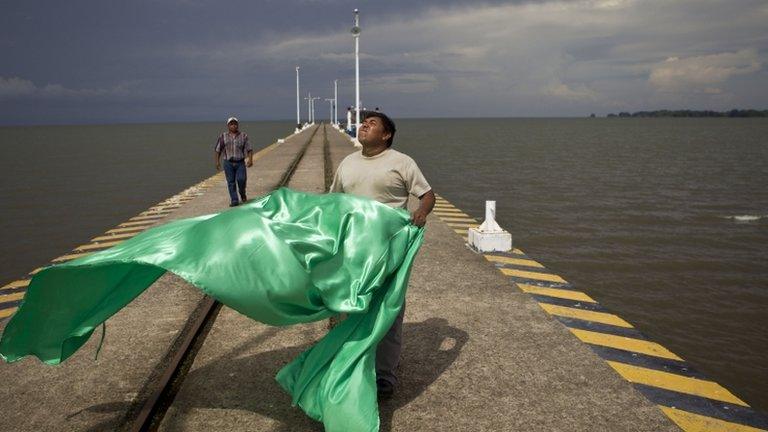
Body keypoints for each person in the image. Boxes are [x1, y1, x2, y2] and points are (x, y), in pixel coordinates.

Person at [330, 111, 435, 398]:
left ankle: (384, 376)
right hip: (353, 249)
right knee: (350, 307)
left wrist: (421, 213)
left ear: (386, 134)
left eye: (371, 123)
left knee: (388, 310)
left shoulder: (401, 162)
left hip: (389, 248)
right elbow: (333, 201)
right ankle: (353, 364)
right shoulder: (347, 163)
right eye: (363, 122)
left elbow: (427, 194)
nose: (363, 124)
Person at [215, 117, 253, 207]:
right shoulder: (223, 136)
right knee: (231, 182)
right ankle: (234, 200)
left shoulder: (244, 136)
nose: (233, 126)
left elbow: (249, 149)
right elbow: (217, 150)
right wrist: (217, 162)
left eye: (235, 124)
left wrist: (250, 160)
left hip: (240, 163)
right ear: (228, 126)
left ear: (238, 125)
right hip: (228, 163)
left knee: (241, 179)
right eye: (231, 124)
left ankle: (242, 193)